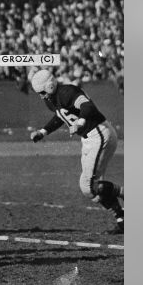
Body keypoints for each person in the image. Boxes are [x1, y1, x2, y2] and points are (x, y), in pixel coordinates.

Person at [29, 69, 124, 232]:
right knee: (89, 188)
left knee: (88, 186)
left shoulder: (68, 91)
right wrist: (43, 132)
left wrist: (79, 122)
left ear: (50, 86)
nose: (41, 96)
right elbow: (61, 116)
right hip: (88, 139)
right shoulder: (52, 99)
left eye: (42, 92)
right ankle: (122, 219)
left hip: (99, 133)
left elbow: (88, 106)